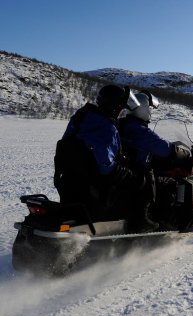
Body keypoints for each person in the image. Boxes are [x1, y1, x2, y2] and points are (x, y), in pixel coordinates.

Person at [54, 84, 141, 221]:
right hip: (92, 184)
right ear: (114, 107)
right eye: (120, 109)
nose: (120, 113)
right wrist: (128, 173)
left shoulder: (82, 116)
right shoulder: (106, 127)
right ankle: (138, 222)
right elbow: (106, 167)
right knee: (139, 181)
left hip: (69, 180)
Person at [118, 91, 193, 229]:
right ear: (144, 109)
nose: (151, 112)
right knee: (169, 183)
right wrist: (180, 152)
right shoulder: (138, 129)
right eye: (150, 109)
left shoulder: (122, 124)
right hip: (138, 169)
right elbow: (163, 147)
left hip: (127, 166)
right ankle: (163, 221)